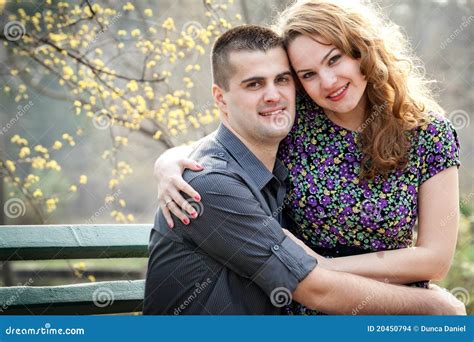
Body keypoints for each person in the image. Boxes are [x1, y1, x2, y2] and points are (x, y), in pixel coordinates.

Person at [153, 0, 461, 315]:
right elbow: (229, 141)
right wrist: (169, 161)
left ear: (362, 51)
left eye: (334, 59)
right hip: (307, 305)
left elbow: (435, 260)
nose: (328, 82)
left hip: (395, 305)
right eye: (308, 74)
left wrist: (323, 265)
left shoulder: (428, 134)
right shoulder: (297, 121)